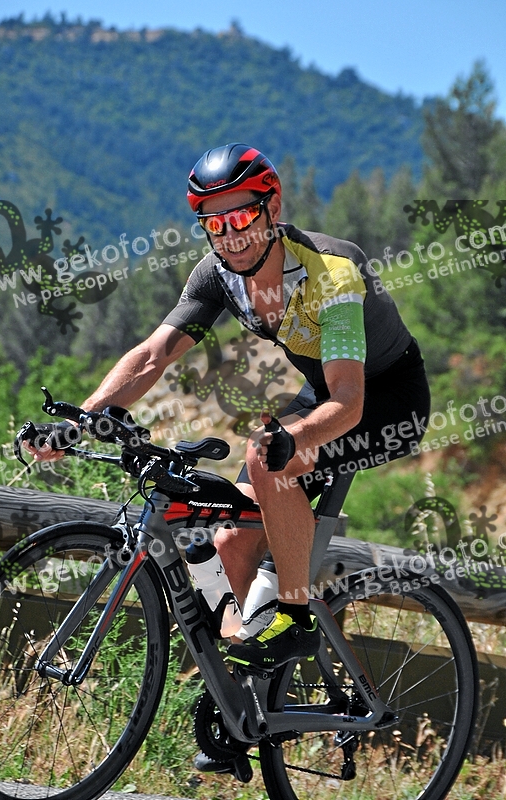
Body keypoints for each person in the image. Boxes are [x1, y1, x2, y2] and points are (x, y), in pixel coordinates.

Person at [25, 142, 430, 675]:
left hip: (387, 400)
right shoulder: (217, 275)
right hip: (323, 390)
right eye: (215, 225)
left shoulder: (331, 272)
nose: (231, 236)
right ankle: (251, 691)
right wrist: (80, 422)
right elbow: (152, 356)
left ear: (272, 207)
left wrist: (292, 442)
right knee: (232, 541)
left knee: (267, 456)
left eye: (241, 217)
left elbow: (349, 402)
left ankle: (296, 618)